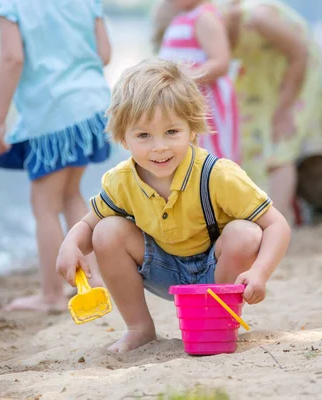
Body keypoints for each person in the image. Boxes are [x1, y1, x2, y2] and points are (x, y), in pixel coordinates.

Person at [55, 59, 291, 352]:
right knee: (105, 231)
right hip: (160, 269)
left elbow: (277, 225)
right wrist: (71, 244)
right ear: (123, 138)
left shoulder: (217, 175)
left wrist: (260, 272)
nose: (159, 147)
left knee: (246, 233)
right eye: (143, 135)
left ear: (192, 129)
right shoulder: (122, 181)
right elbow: (88, 224)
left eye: (171, 132)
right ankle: (139, 328)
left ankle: (216, 323)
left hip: (215, 270)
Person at [0, 0, 111, 312]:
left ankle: (51, 295)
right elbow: (104, 54)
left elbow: (12, 58)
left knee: (44, 205)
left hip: (53, 112)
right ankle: (94, 282)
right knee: (69, 194)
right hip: (92, 105)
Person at [219, 0, 322, 224]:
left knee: (279, 147)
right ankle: (258, 217)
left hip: (294, 73)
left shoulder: (259, 18)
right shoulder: (213, 28)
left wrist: (284, 109)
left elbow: (300, 54)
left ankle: (278, 224)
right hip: (260, 74)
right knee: (249, 142)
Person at [154, 0, 240, 163]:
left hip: (204, 106)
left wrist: (182, 80)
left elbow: (221, 61)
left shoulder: (204, 17)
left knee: (209, 160)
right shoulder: (182, 17)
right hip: (182, 103)